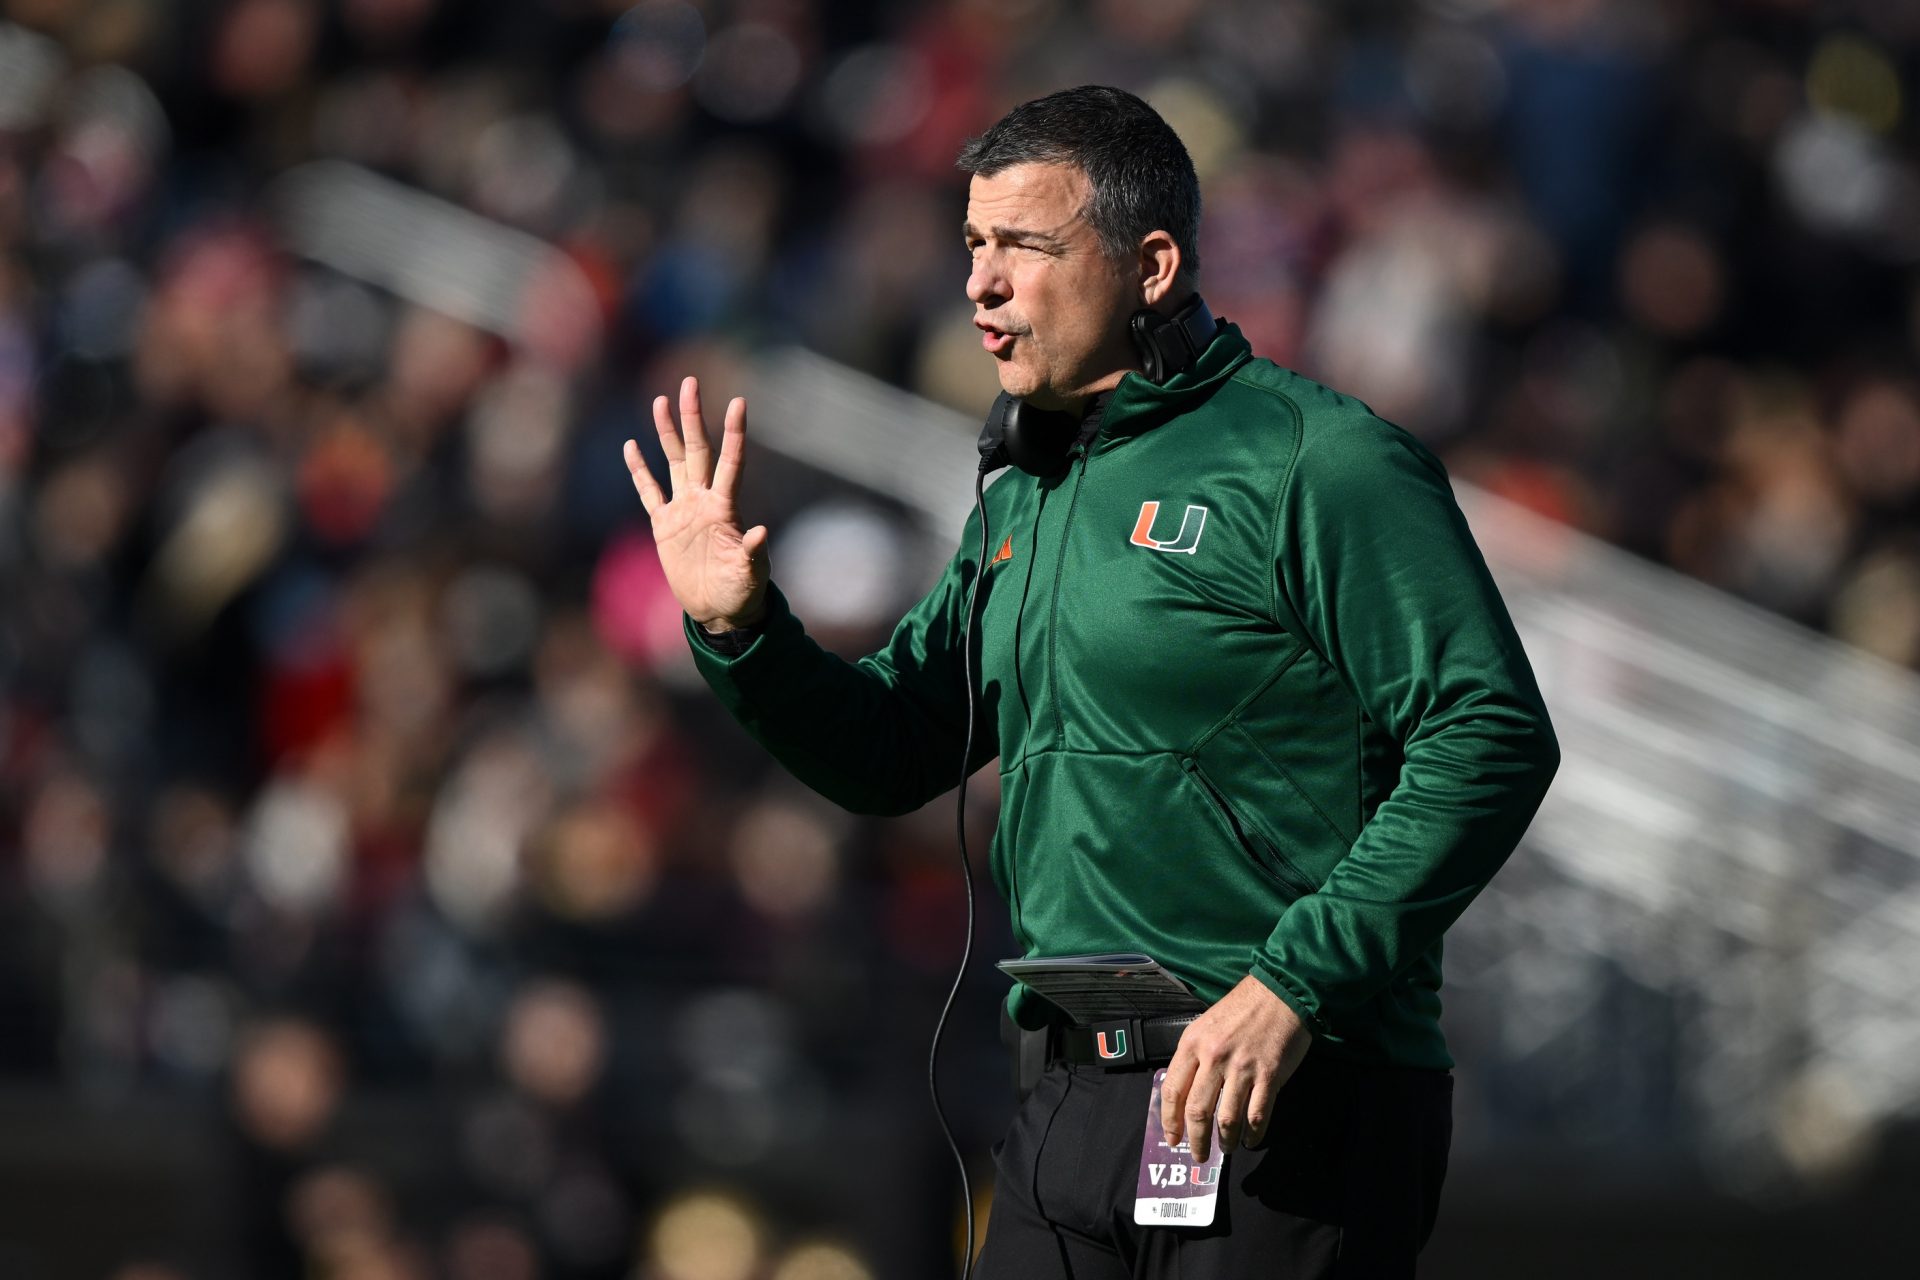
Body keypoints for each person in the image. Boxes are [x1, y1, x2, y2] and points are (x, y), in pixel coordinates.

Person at [624, 86, 1559, 1278]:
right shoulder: (1022, 490)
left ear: (1152, 264)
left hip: (1289, 1093)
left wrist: (1297, 979)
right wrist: (743, 626)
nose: (980, 281)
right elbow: (894, 748)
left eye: (1025, 244)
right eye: (973, 244)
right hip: (1067, 1094)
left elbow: (1491, 734)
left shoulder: (1320, 460)